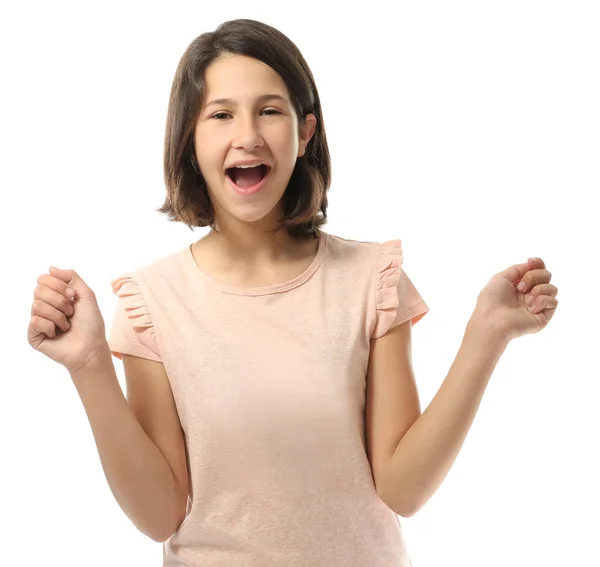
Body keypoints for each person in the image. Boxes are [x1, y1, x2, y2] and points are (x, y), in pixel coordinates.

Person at [27, 18, 559, 567]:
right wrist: (89, 366)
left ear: (305, 134)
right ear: (191, 139)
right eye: (221, 114)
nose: (248, 135)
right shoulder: (152, 301)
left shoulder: (371, 280)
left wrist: (486, 336)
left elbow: (404, 488)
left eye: (270, 110)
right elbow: (159, 514)